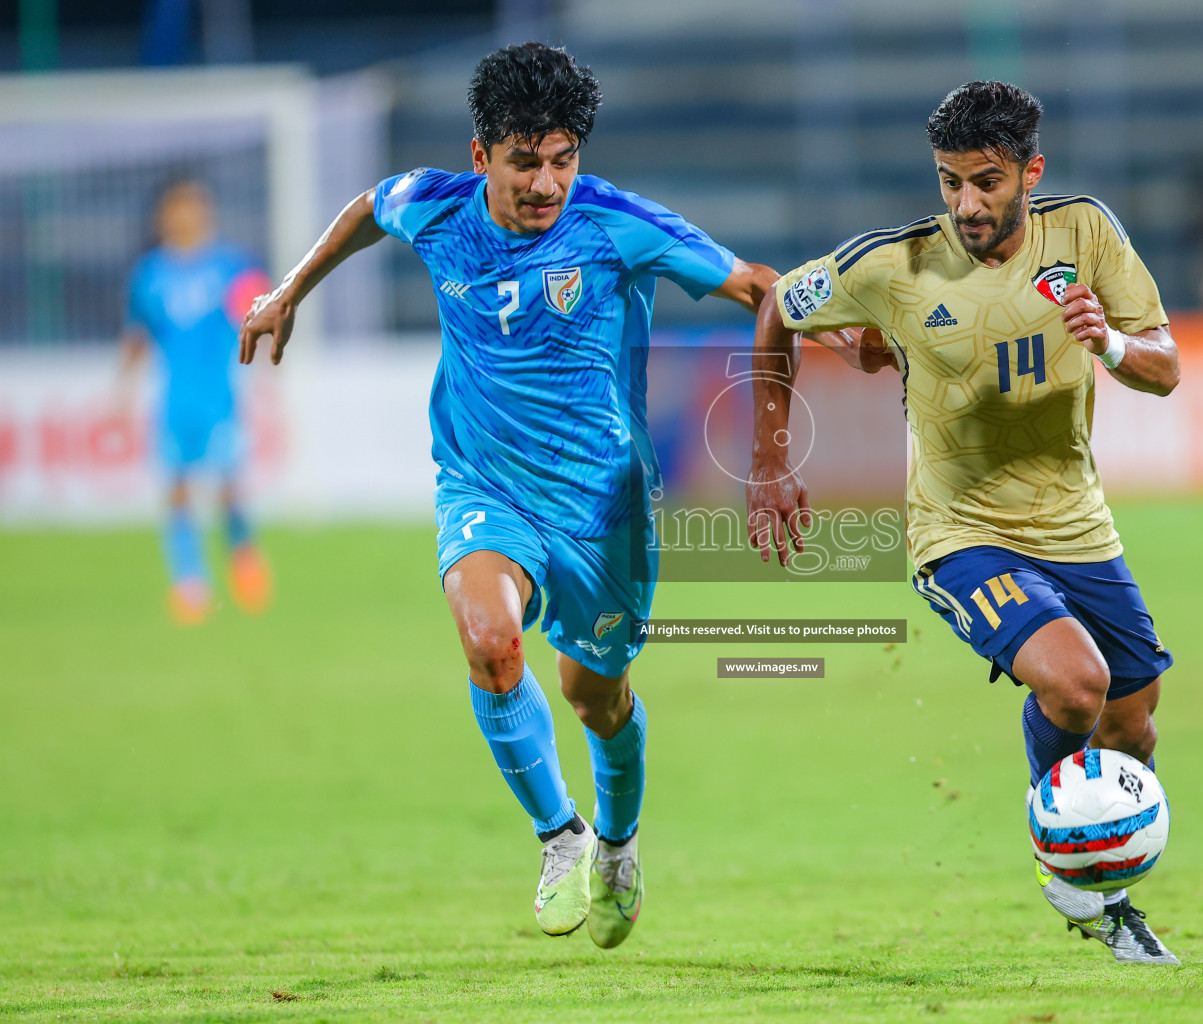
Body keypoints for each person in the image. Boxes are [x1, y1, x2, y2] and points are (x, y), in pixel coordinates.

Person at [237, 42, 860, 946]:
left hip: (603, 507)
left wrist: (782, 427)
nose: (546, 183)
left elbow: (760, 287)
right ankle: (561, 838)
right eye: (525, 161)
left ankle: (618, 841)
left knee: (594, 697)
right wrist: (291, 289)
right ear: (481, 152)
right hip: (483, 480)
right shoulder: (436, 205)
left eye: (563, 159)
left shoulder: (615, 223)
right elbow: (369, 208)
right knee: (491, 644)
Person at [748, 81, 1183, 965]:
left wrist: (1108, 345)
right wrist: (769, 459)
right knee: (1076, 684)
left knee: (1133, 725)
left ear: (1032, 171)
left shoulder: (1087, 232)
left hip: (1076, 522)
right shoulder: (895, 262)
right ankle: (1075, 867)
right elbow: (775, 308)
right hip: (957, 530)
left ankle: (1095, 873)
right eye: (949, 182)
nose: (965, 204)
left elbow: (1166, 370)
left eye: (985, 181)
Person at [118, 180, 274, 625]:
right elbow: (137, 334)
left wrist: (268, 360)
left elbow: (261, 310)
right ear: (163, 215)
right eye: (180, 207)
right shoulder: (149, 275)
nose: (189, 214)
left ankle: (243, 557)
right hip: (174, 401)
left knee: (228, 489)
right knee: (178, 491)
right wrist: (122, 389)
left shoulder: (231, 266)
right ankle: (190, 585)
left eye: (196, 205)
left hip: (220, 398)